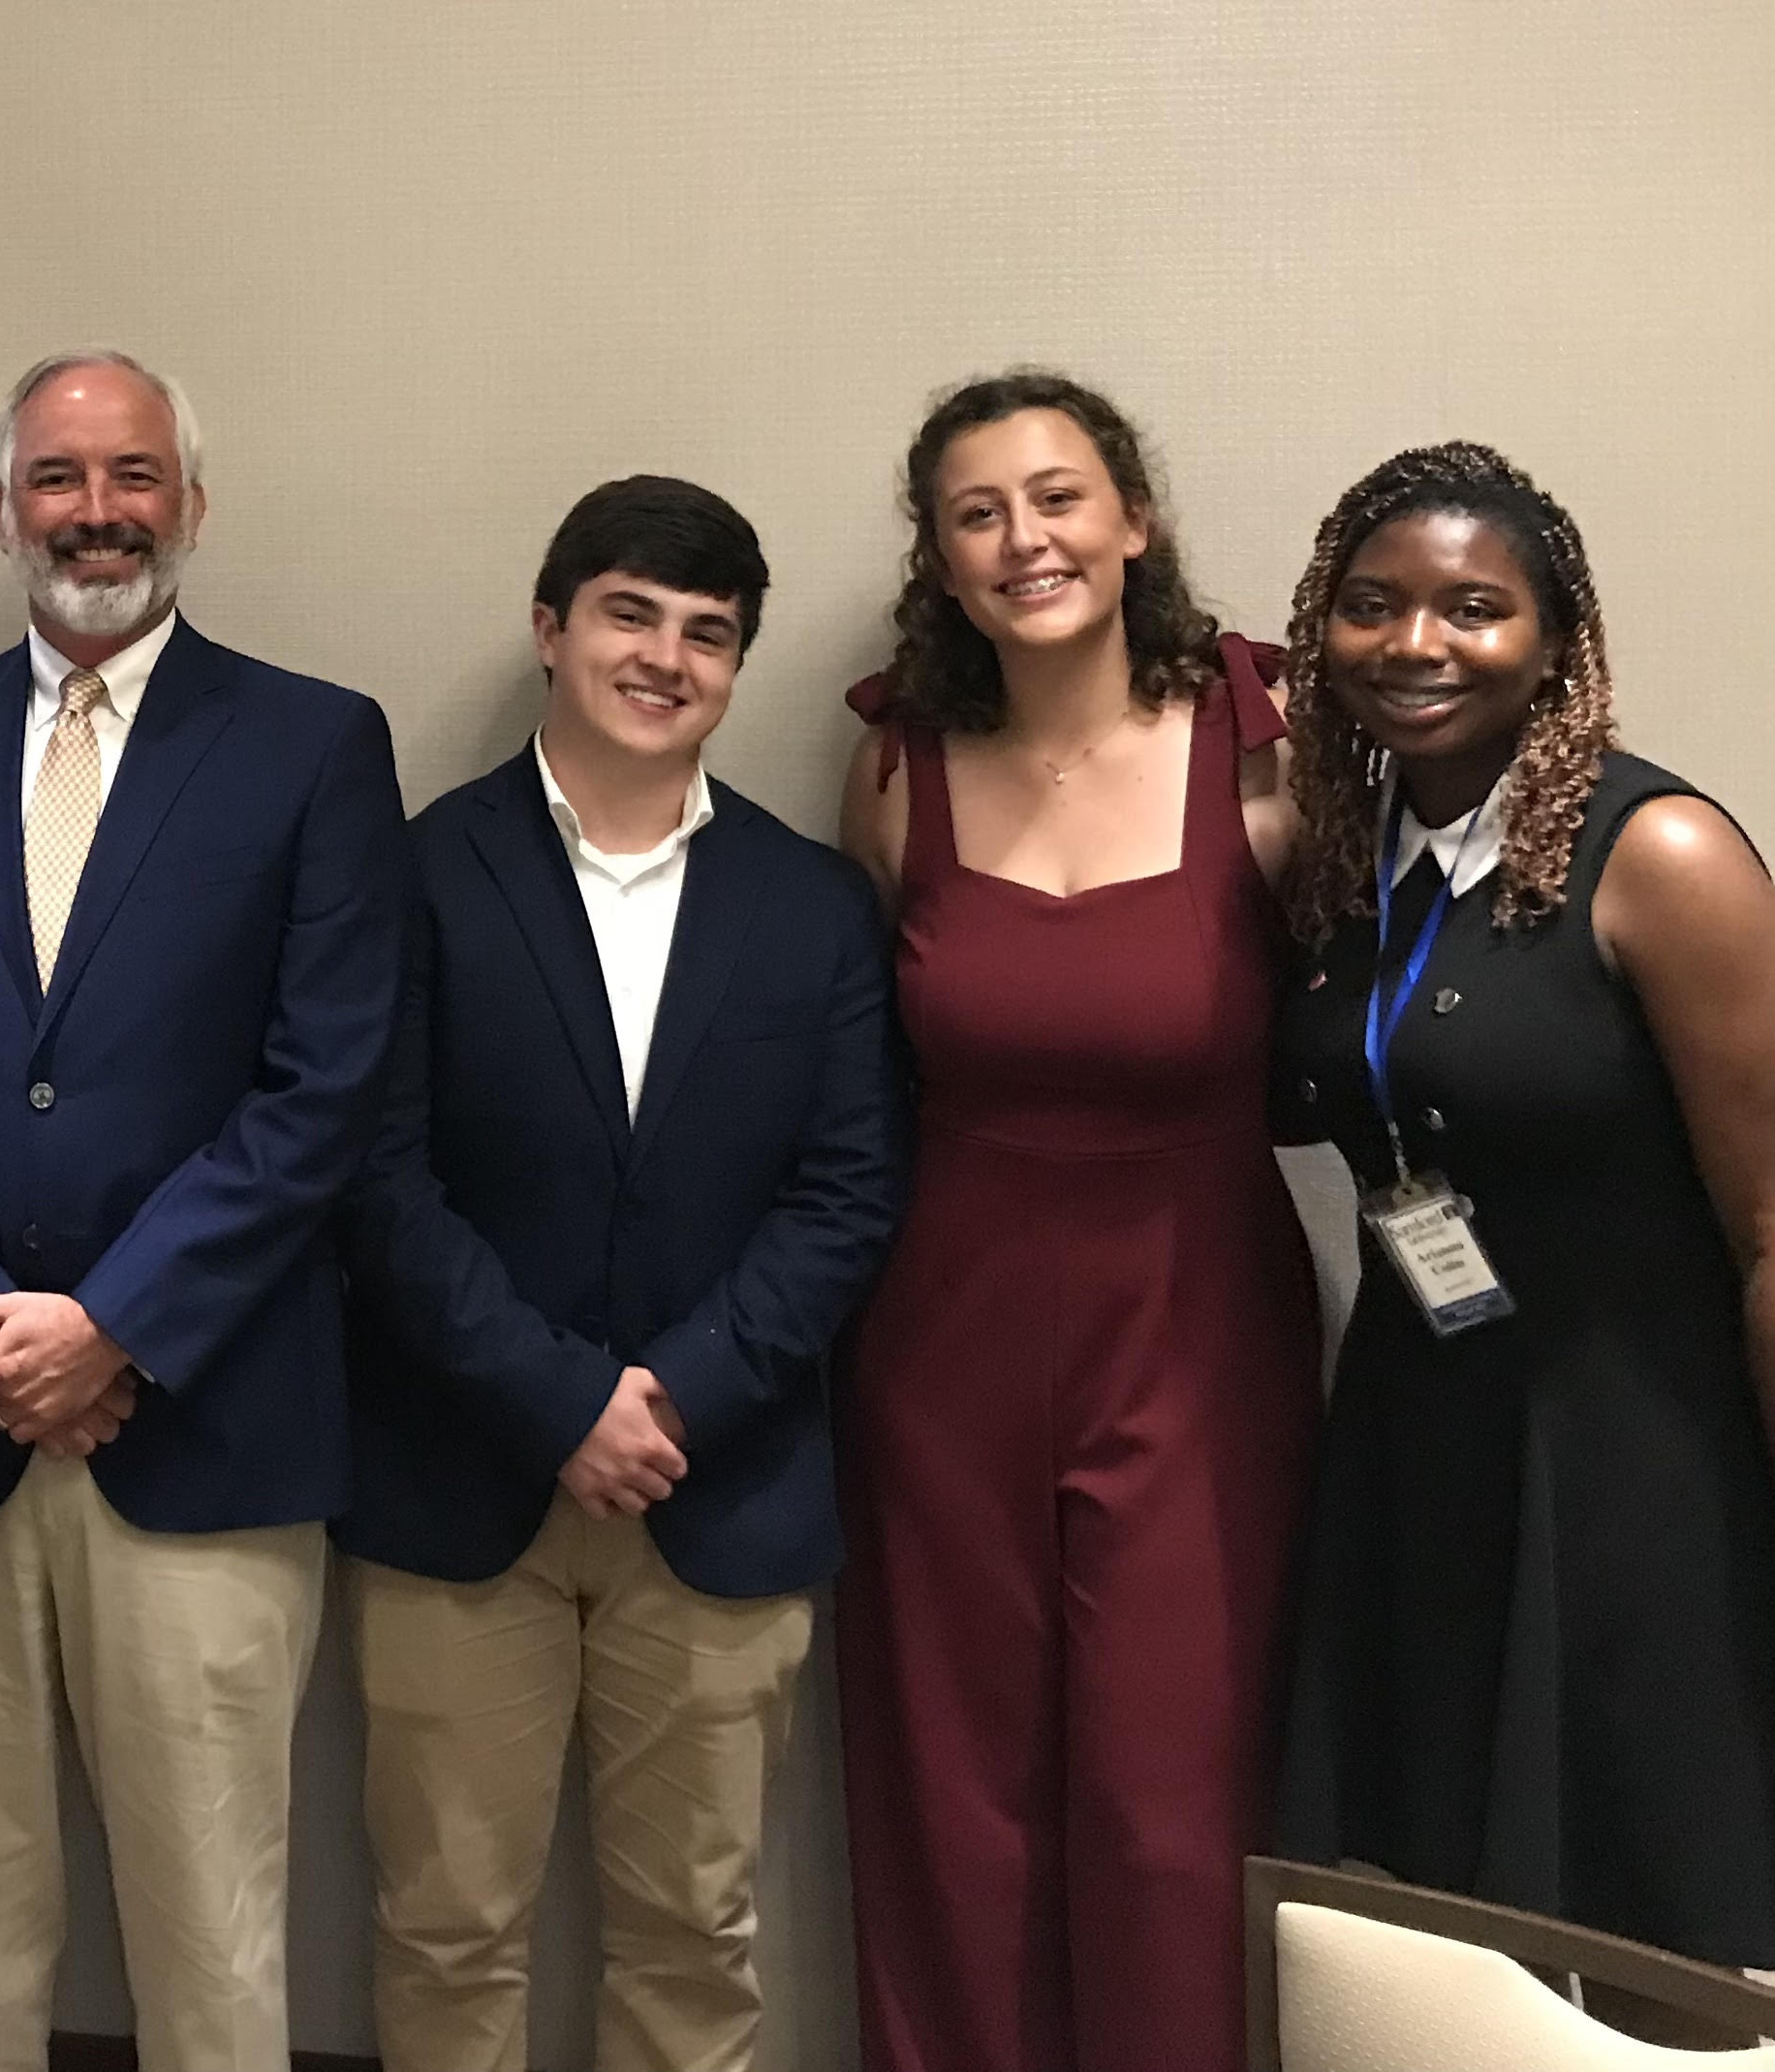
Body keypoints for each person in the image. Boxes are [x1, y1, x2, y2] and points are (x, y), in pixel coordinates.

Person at [0, 349, 406, 2072]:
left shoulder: (313, 742)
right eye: (63, 479)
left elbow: (325, 1093)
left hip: (205, 1425)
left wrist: (118, 1325)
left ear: (193, 503)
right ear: (3, 508)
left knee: (215, 1935)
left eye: (135, 475)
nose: (100, 513)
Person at [336, 476, 902, 2072]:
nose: (666, 657)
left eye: (707, 634)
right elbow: (374, 1178)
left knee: (697, 1936)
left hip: (719, 1494)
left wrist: (679, 1393)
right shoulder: (419, 871)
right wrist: (556, 1394)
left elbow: (849, 1192)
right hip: (461, 1491)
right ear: (551, 627)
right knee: (446, 1928)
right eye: (630, 614)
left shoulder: (815, 906)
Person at [833, 369, 1321, 2072]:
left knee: (1170, 1791)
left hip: (1197, 1334)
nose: (1023, 538)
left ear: (1135, 518)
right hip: (939, 1338)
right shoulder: (895, 770)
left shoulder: (1270, 755)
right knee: (951, 1791)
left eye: (1056, 496)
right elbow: (858, 1073)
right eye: (978, 513)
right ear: (942, 560)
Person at [1273, 441, 1775, 1968]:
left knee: (1654, 1899)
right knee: (1442, 1913)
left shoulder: (1660, 855)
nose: (1416, 644)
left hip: (1635, 1452)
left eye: (1473, 607)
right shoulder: (1344, 867)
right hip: (1418, 1432)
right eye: (1372, 605)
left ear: (1557, 644)